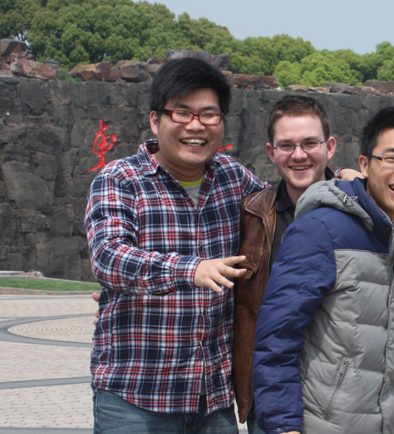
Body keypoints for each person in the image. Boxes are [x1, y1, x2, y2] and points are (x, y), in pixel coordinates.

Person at [85, 57, 266, 433]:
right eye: (182, 113)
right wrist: (192, 269)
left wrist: (342, 177)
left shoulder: (232, 178)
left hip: (212, 400)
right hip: (136, 399)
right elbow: (108, 255)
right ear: (156, 120)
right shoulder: (121, 179)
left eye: (209, 114)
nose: (196, 126)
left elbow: (282, 210)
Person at [233, 96, 394, 434]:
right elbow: (278, 337)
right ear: (365, 165)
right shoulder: (319, 228)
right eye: (391, 158)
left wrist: (393, 388)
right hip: (318, 421)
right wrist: (283, 425)